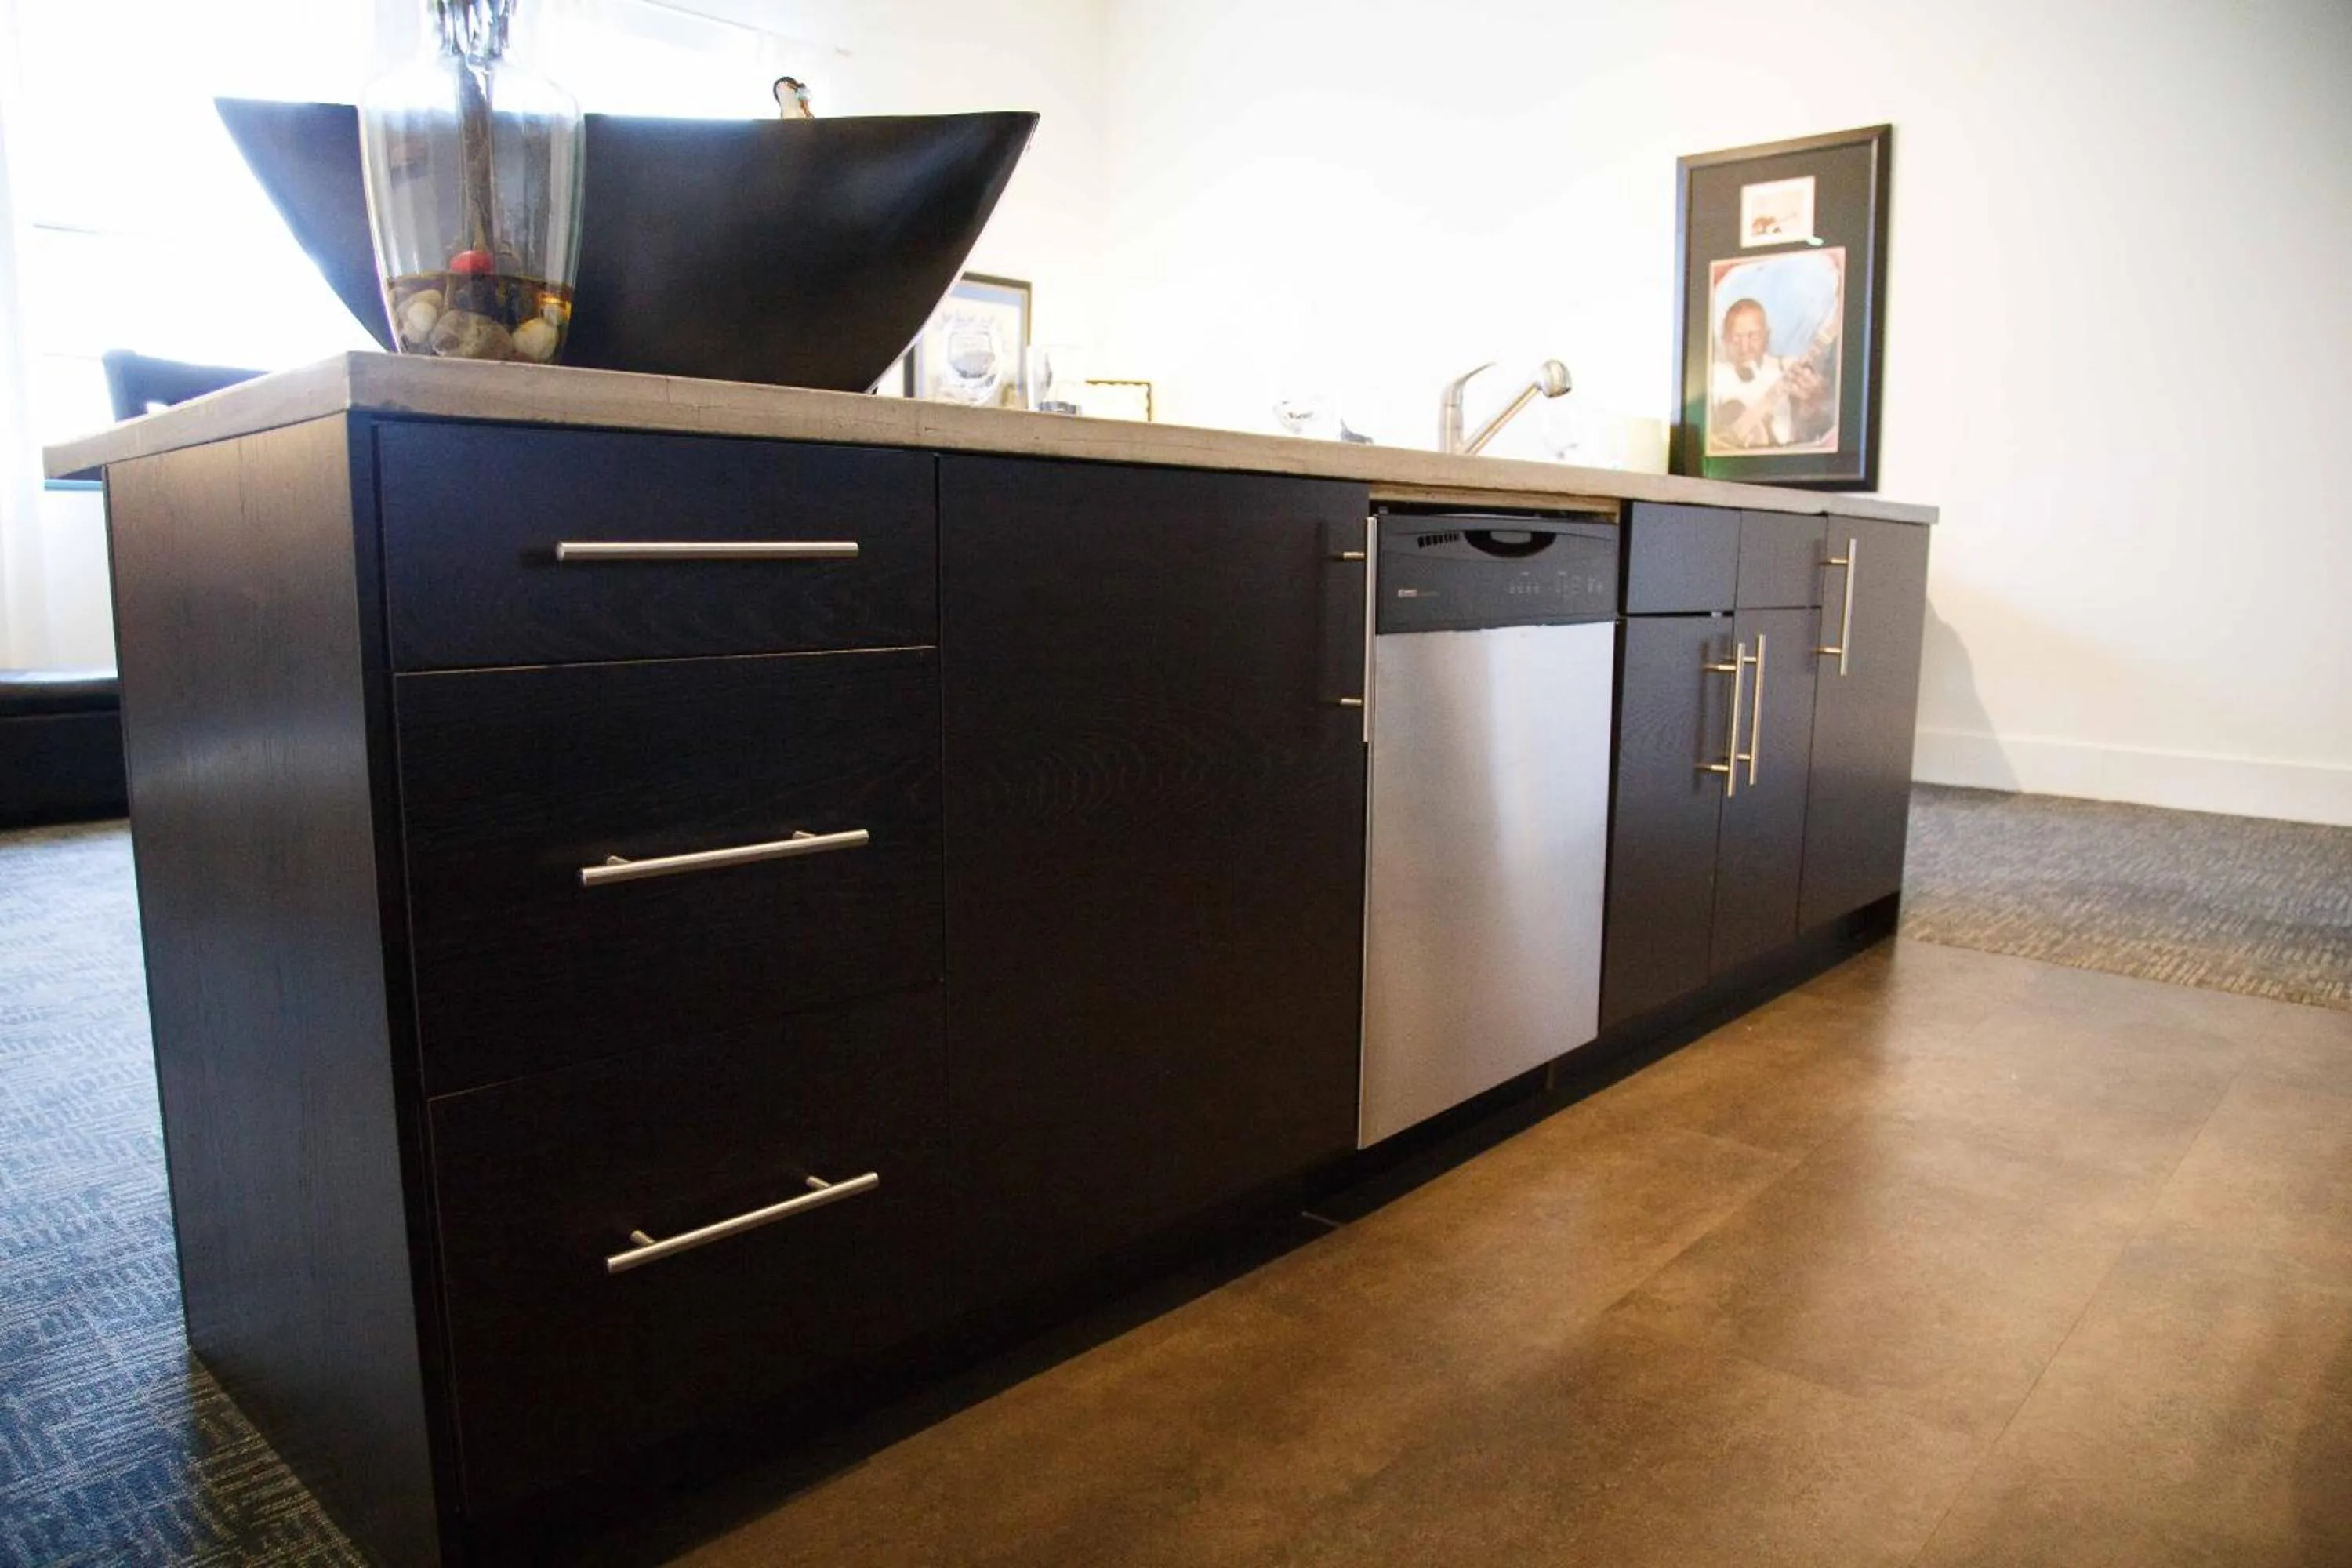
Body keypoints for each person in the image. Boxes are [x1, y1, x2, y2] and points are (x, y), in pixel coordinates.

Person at [1708, 298, 1831, 450]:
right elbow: (1718, 441)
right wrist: (1771, 397)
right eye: (1736, 339)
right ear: (1725, 339)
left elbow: (1810, 425)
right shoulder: (1715, 378)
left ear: (1767, 336)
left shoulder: (1785, 369)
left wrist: (1814, 400)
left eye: (1753, 337)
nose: (1744, 347)